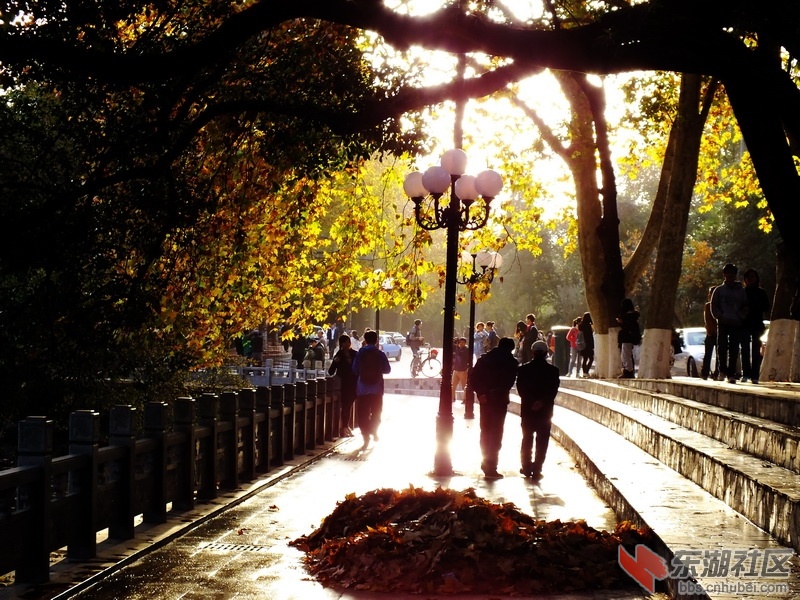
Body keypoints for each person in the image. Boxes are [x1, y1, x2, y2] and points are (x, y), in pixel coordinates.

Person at [468, 337, 519, 480]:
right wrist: (496, 392)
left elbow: (473, 378)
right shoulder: (511, 362)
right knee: (496, 433)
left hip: (485, 400)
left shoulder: (484, 359)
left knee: (485, 431)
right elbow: (508, 383)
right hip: (499, 401)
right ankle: (491, 465)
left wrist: (481, 393)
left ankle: (485, 462)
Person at [515, 340, 560, 481]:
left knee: (527, 438)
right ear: (546, 353)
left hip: (528, 410)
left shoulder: (523, 370)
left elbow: (521, 389)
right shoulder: (553, 371)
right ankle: (537, 468)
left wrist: (531, 402)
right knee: (542, 440)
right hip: (545, 411)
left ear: (533, 352)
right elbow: (553, 390)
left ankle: (526, 466)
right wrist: (541, 402)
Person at [352, 329, 391, 451]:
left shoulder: (360, 353)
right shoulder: (380, 354)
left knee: (362, 413)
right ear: (376, 341)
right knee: (376, 412)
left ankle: (365, 436)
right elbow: (387, 370)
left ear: (365, 340)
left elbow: (354, 370)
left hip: (362, 389)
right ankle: (374, 430)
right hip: (377, 389)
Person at [710, 263, 749, 384]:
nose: (730, 275)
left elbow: (746, 305)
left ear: (735, 275)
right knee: (721, 347)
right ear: (724, 275)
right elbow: (713, 306)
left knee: (734, 348)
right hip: (723, 323)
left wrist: (741, 316)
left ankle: (731, 374)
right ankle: (722, 371)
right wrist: (719, 316)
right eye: (728, 273)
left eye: (733, 273)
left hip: (736, 323)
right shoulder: (719, 290)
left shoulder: (741, 291)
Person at [741, 268, 770, 384]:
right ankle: (746, 373)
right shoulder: (742, 292)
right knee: (745, 349)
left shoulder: (761, 292)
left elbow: (766, 307)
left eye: (753, 277)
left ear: (756, 278)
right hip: (744, 324)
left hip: (757, 324)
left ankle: (755, 375)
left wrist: (755, 306)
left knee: (756, 350)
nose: (750, 279)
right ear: (745, 280)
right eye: (748, 277)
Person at [328, 335, 357, 437]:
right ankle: (343, 427)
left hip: (353, 384)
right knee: (345, 406)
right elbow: (331, 371)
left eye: (349, 342)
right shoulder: (339, 355)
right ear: (341, 344)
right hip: (342, 385)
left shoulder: (355, 354)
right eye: (345, 342)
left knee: (348, 406)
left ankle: (345, 426)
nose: (347, 344)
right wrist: (335, 362)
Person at [617, 298, 641, 378]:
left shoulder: (628, 316)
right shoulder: (632, 316)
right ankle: (629, 370)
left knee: (625, 354)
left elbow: (626, 327)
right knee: (627, 354)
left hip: (627, 337)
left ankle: (628, 371)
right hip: (629, 337)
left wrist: (620, 323)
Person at [701, 286, 719, 380]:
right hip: (710, 334)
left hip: (719, 334)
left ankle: (717, 373)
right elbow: (707, 320)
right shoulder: (708, 306)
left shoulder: (720, 305)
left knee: (719, 355)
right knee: (708, 354)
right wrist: (711, 331)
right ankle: (705, 373)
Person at [452, 337, 470, 403]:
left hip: (463, 370)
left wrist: (456, 347)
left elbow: (461, 354)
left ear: (465, 343)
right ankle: (452, 398)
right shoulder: (457, 348)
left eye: (463, 342)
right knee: (453, 385)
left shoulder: (466, 350)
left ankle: (465, 399)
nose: (461, 344)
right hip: (456, 369)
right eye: (460, 342)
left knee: (464, 386)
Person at [578, 312, 595, 377]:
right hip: (588, 344)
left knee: (585, 359)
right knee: (591, 359)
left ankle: (584, 372)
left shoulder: (581, 325)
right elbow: (590, 336)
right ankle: (586, 371)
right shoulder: (588, 326)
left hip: (583, 344)